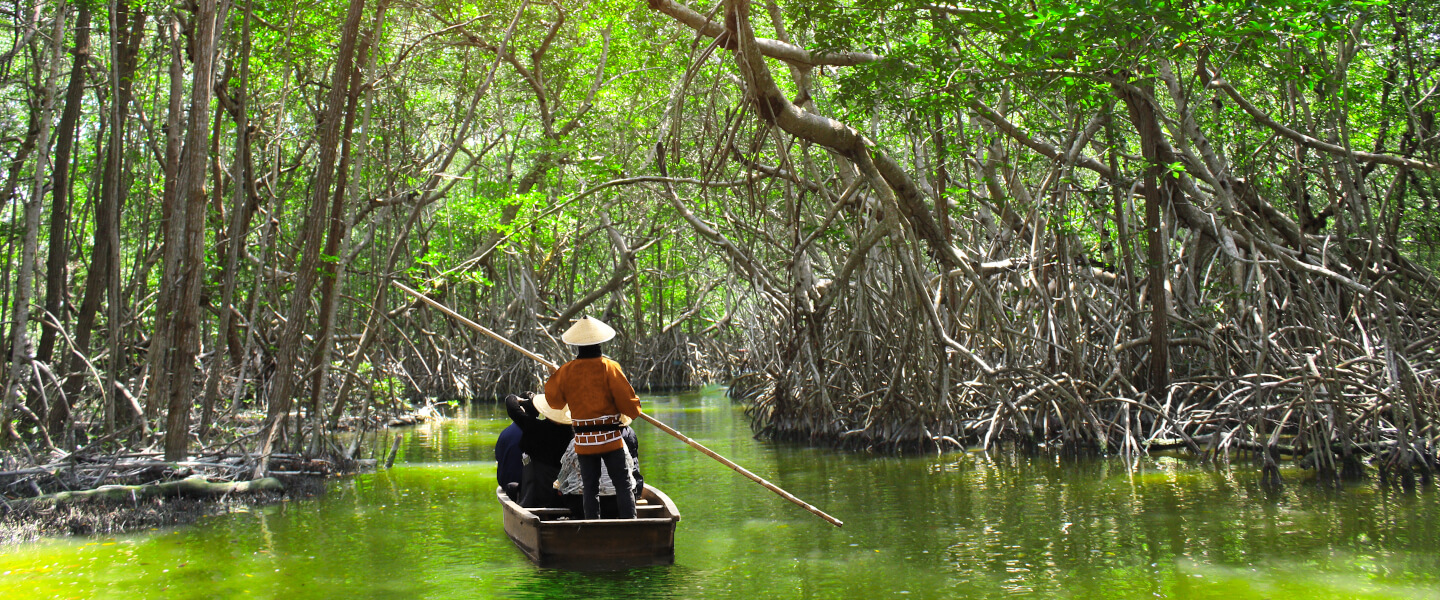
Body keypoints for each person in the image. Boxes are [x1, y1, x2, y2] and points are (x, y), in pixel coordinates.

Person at [543, 316, 641, 519]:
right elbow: (630, 405)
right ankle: (630, 524)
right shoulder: (609, 367)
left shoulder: (567, 371)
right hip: (610, 439)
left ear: (577, 345)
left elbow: (555, 402)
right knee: (622, 484)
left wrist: (555, 375)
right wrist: (633, 411)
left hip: (584, 442)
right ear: (599, 342)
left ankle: (592, 527)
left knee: (590, 487)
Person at [553, 427, 644, 518]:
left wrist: (559, 485)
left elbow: (563, 475)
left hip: (581, 502)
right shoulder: (618, 440)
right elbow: (630, 468)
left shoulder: (576, 441)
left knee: (558, 491)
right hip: (617, 502)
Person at [505, 391, 573, 507]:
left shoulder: (537, 428)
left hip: (537, 494)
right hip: (562, 494)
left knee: (511, 487)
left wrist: (515, 398)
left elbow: (512, 407)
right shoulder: (572, 433)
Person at [495, 422, 523, 501]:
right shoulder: (534, 431)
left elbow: (498, 457)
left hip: (505, 481)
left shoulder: (504, 433)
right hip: (524, 483)